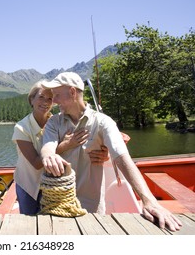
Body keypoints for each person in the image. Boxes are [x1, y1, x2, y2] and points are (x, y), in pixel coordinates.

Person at [40, 72, 182, 231]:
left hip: (91, 207)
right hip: (58, 203)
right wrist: (49, 155)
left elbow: (122, 158)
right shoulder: (53, 122)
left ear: (73, 92)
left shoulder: (103, 122)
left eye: (57, 95)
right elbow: (47, 147)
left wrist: (150, 201)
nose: (54, 101)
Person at [12, 80, 109, 215]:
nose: (46, 102)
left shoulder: (58, 121)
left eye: (50, 98)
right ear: (31, 99)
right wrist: (65, 146)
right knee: (31, 223)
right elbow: (36, 163)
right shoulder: (21, 128)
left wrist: (104, 153)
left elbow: (84, 143)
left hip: (54, 184)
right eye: (41, 97)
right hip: (29, 185)